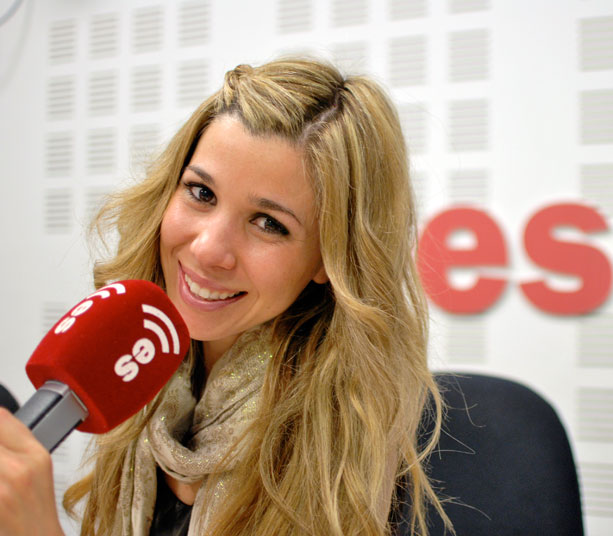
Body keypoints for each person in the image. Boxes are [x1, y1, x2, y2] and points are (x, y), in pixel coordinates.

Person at [0, 58, 448, 536]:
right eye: (201, 193)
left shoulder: (343, 433)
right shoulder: (141, 374)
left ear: (328, 259)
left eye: (269, 223)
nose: (208, 249)